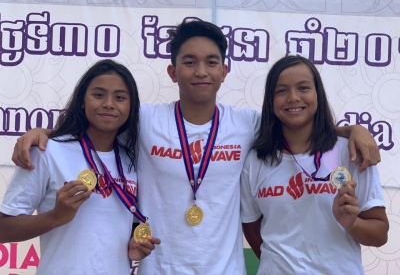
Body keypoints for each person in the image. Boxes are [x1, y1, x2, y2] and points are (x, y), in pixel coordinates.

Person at [10, 21, 381, 274]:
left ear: (225, 70)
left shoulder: (246, 124)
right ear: (172, 71)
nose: (200, 71)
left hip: (225, 269)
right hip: (159, 267)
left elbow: (296, 119)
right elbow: (100, 124)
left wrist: (353, 130)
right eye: (189, 62)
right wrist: (42, 132)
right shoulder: (145, 121)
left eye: (211, 62)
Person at [0, 59, 161, 275]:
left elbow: (114, 227)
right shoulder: (47, 152)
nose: (109, 104)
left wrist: (134, 245)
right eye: (98, 94)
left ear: (131, 107)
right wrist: (54, 217)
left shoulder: (133, 160)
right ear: (82, 101)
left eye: (120, 97)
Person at [240, 55, 389, 274]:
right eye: (281, 91)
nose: (293, 98)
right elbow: (251, 228)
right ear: (270, 101)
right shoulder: (255, 161)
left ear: (317, 94)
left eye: (303, 88)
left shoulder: (350, 152)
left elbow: (380, 235)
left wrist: (352, 223)